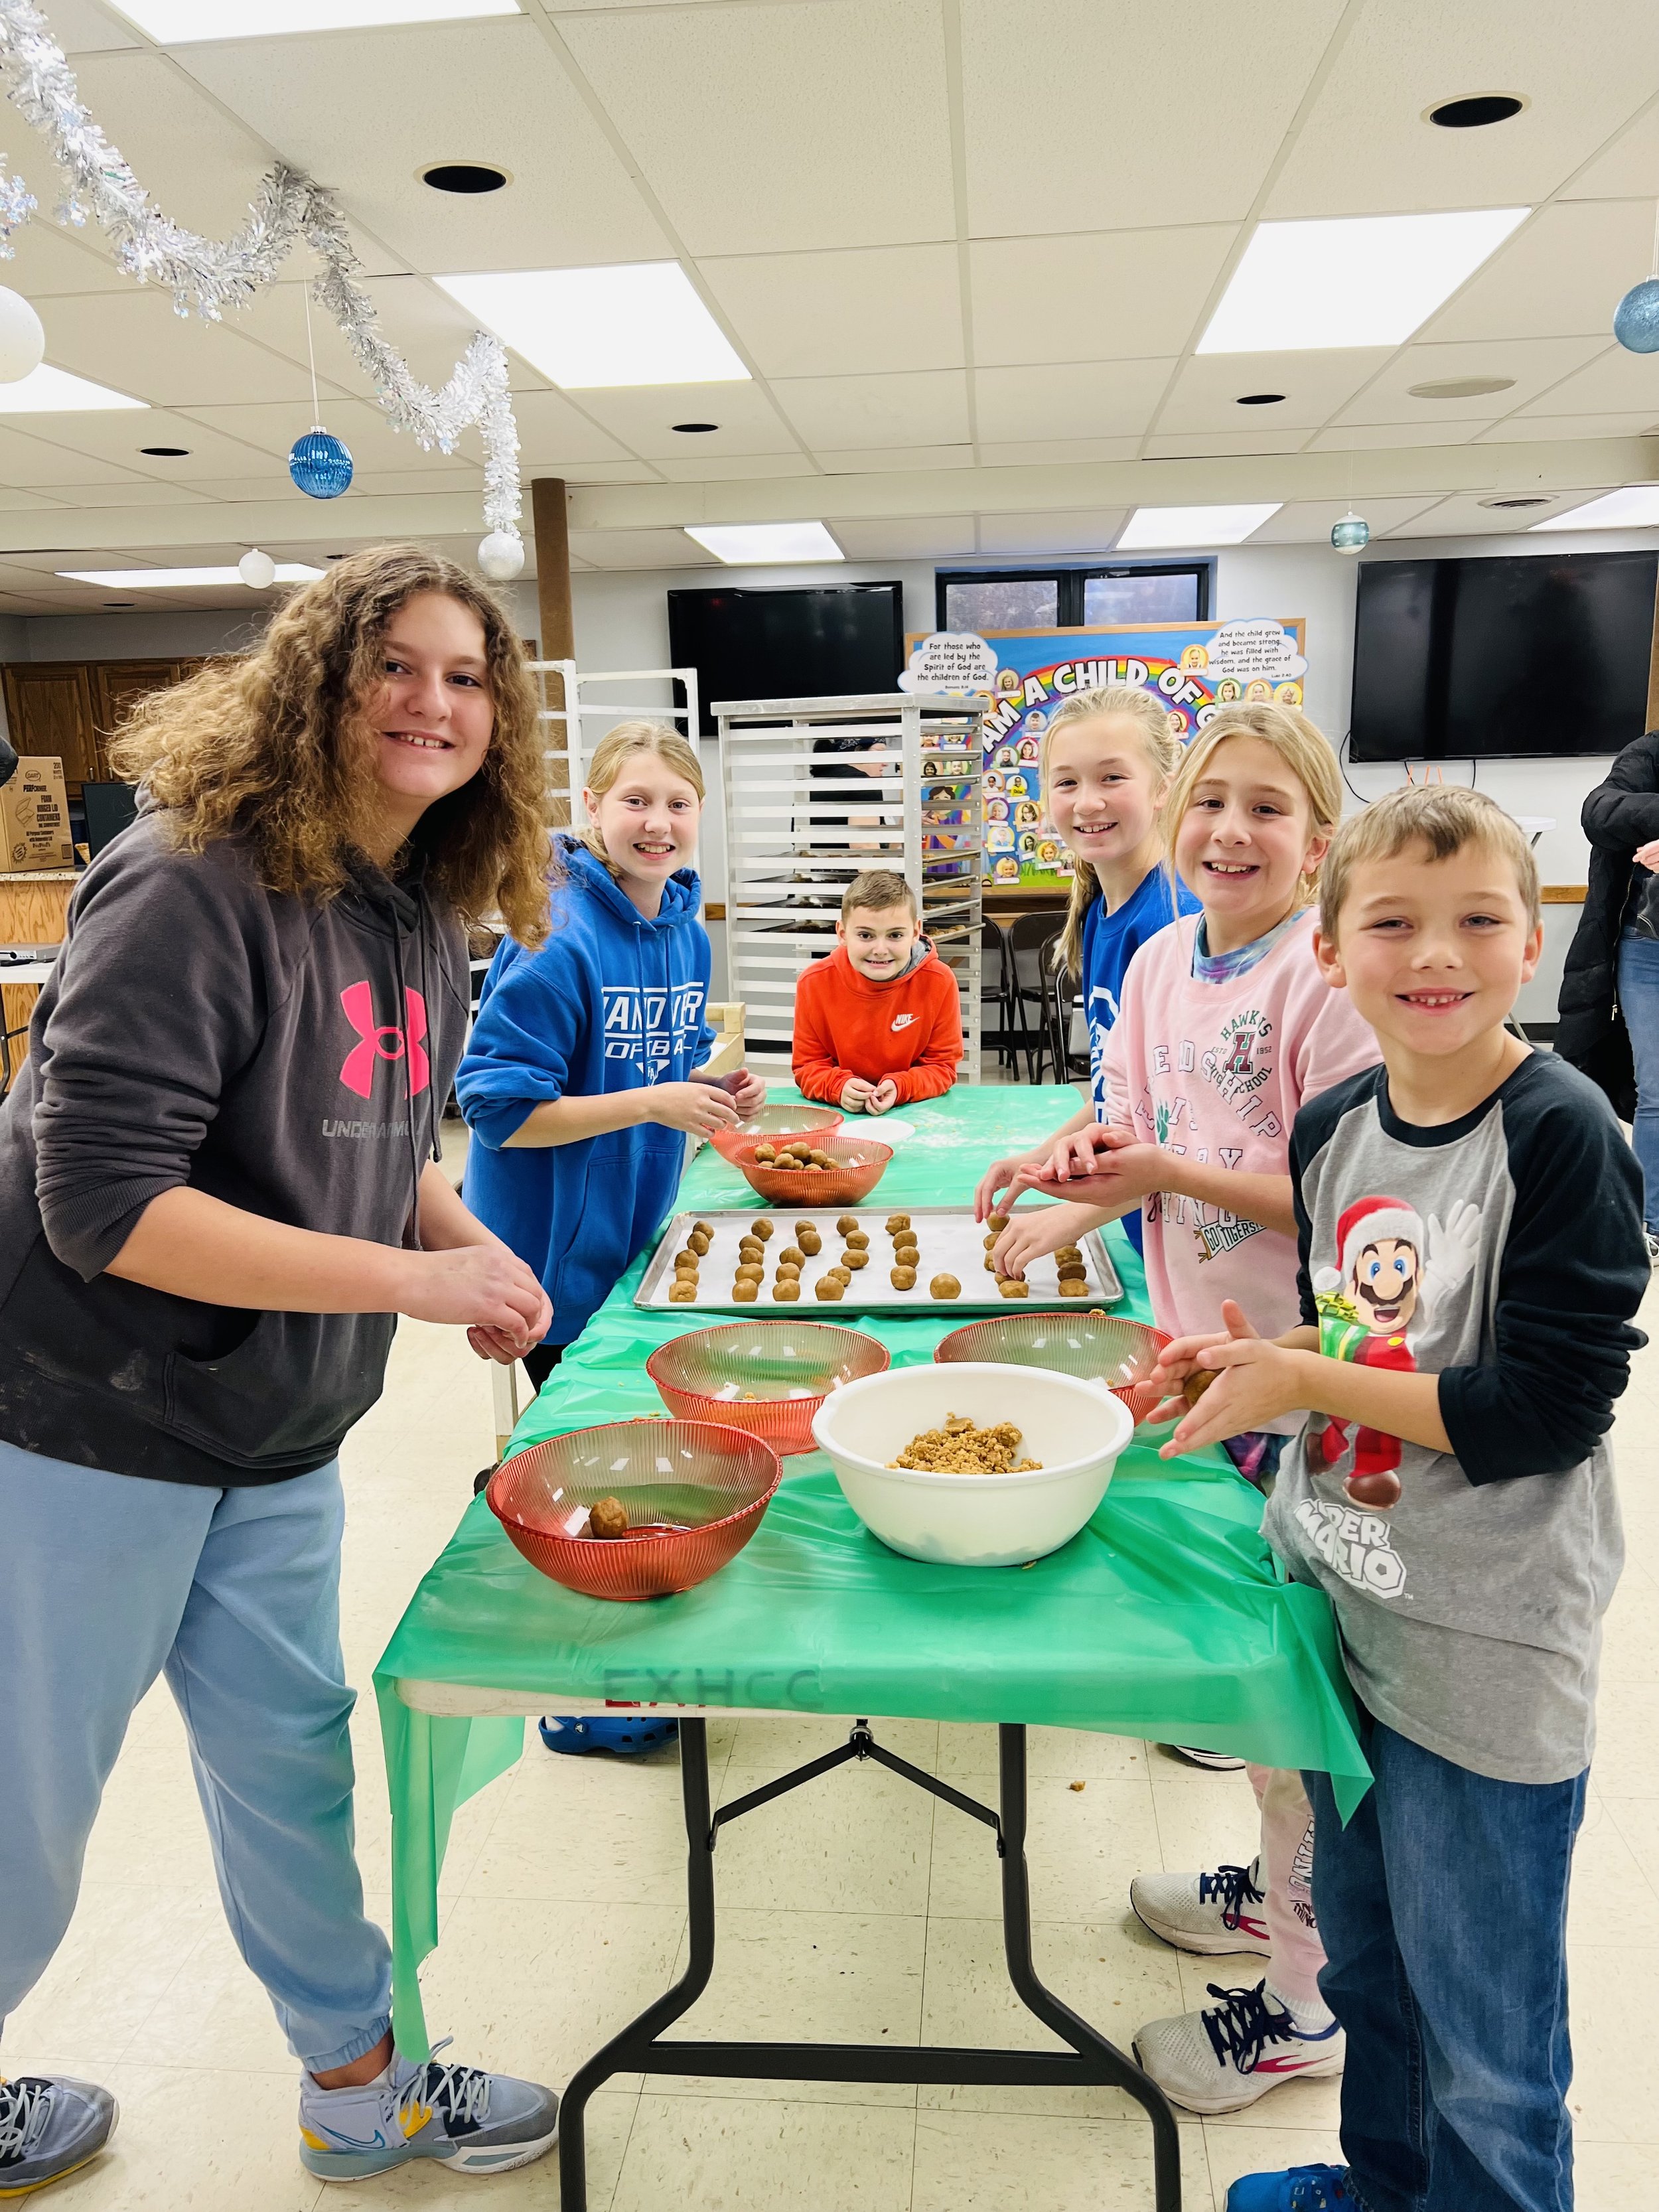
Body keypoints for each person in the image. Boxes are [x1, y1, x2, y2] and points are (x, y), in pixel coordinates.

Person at [0, 546, 565, 2193]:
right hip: (83, 1427)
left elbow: (370, 1133)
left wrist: (464, 1244)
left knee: (291, 1772)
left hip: (275, 1428)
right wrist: (410, 1274)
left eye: (467, 678)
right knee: (26, 1813)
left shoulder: (413, 910)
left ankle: (357, 2085)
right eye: (395, 663)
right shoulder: (190, 881)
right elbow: (105, 1204)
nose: (432, 702)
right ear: (312, 679)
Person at [1165, 785, 1648, 2212]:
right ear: (1327, 948)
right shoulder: (1329, 1128)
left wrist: (1301, 1387)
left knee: (1486, 2036)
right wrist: (1270, 1355)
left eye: (1475, 920)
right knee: (1371, 1964)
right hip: (1346, 1609)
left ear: (1528, 936)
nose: (1433, 953)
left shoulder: (1562, 1132)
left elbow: (1543, 1410)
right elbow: (1369, 1330)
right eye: (1390, 921)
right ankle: (1379, 2190)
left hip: (1483, 1647)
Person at [997, 701, 1382, 2117]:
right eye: (1213, 800)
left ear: (1318, 839)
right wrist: (1066, 1163)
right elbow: (1125, 1117)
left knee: (1291, 1690)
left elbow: (1345, 1199)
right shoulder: (1161, 956)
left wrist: (1160, 1167)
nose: (1229, 830)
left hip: (1305, 1378)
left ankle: (1303, 2003)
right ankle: (1275, 1886)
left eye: (1266, 808)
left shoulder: (1324, 980)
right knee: (1244, 1666)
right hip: (1195, 1368)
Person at [457, 718, 762, 1757]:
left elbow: (653, 1073)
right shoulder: (551, 934)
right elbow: (499, 1108)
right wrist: (649, 1103)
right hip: (546, 1254)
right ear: (591, 809)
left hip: (634, 1240)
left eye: (678, 803)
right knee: (592, 1467)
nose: (657, 822)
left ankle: (622, 1635)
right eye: (635, 801)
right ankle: (591, 1695)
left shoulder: (685, 927)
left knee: (618, 1449)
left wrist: (708, 1089)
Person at [973, 685, 1196, 1260]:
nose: (1087, 802)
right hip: (1145, 1226)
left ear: (1163, 788)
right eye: (1067, 782)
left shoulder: (1176, 919)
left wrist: (1071, 1217)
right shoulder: (1100, 911)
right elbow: (1120, 1095)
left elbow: (1187, 1129)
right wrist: (1041, 1156)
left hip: (1194, 1238)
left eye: (1112, 778)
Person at [1557, 725, 1659, 1256]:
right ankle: (1652, 1222)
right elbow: (1601, 811)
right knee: (1656, 1087)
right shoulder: (1650, 752)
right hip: (1647, 952)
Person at [792, 868, 962, 1113]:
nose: (880, 949)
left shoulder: (940, 981)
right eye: (865, 935)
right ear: (842, 933)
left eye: (895, 935)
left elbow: (942, 1067)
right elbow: (808, 1066)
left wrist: (901, 1087)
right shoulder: (813, 983)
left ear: (915, 932)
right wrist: (838, 1087)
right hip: (838, 1115)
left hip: (918, 1112)